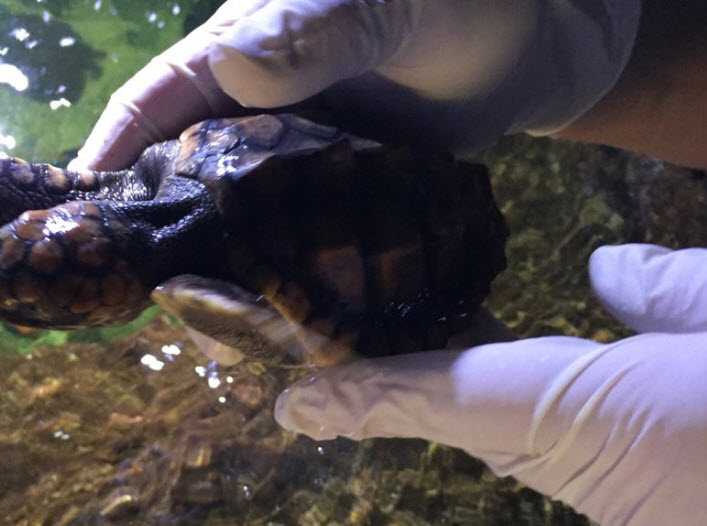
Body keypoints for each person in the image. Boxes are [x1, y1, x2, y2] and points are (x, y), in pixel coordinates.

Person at [69, 2, 707, 524]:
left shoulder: (159, 222)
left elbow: (282, 327)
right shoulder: (160, 195)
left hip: (405, 231)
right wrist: (601, 39)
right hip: (385, 188)